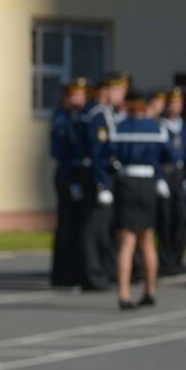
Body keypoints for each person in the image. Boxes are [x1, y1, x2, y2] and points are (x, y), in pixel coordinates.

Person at [109, 88, 175, 309]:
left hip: (126, 182)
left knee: (126, 241)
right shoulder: (157, 128)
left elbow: (108, 154)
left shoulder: (118, 128)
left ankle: (124, 293)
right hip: (148, 183)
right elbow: (169, 156)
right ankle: (150, 290)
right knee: (147, 238)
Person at [75, 72, 127, 291]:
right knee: (94, 229)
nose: (121, 94)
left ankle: (101, 272)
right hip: (98, 176)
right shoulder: (98, 115)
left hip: (105, 174)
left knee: (102, 228)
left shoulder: (106, 113)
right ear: (105, 91)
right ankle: (92, 275)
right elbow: (97, 153)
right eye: (117, 90)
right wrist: (101, 184)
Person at [49, 78, 88, 287]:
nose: (78, 99)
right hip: (67, 175)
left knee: (79, 227)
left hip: (80, 175)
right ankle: (62, 275)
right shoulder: (61, 119)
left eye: (81, 95)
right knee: (66, 227)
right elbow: (60, 153)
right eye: (74, 95)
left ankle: (76, 271)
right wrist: (72, 181)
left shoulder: (82, 117)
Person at [157, 86, 186, 275]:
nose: (176, 107)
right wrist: (160, 179)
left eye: (179, 103)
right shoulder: (160, 124)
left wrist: (185, 178)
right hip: (165, 172)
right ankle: (166, 260)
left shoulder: (181, 124)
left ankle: (177, 259)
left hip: (178, 173)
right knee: (165, 218)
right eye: (172, 103)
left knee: (182, 218)